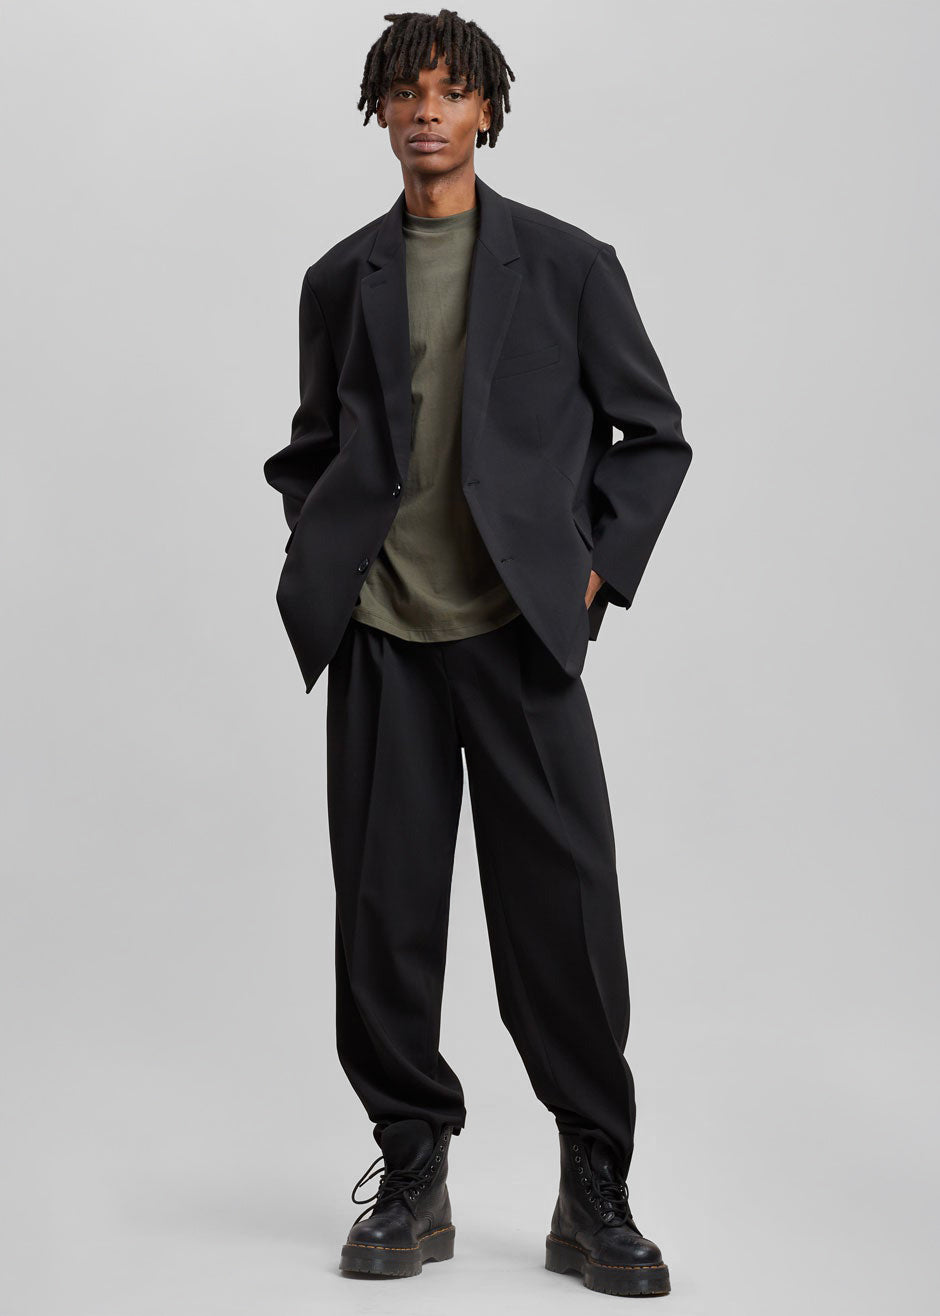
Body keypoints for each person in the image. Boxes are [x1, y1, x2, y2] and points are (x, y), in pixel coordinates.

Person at [262, 8, 692, 1298]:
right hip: (383, 639)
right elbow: (311, 450)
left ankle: (593, 1181)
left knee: (563, 911)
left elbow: (653, 435)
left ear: (487, 111)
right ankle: (413, 1165)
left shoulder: (568, 266)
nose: (426, 114)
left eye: (449, 93)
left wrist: (595, 567)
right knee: (385, 913)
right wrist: (329, 555)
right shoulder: (339, 279)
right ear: (381, 114)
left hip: (521, 639)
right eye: (405, 95)